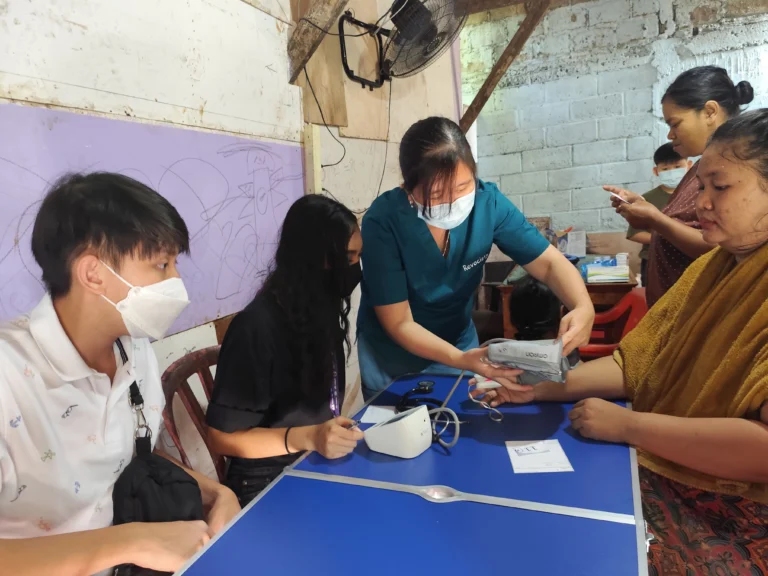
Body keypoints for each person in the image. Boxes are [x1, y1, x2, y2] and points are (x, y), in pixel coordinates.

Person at [479, 109, 768, 575]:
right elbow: (636, 364)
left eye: (721, 187)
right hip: (666, 466)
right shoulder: (711, 270)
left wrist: (630, 427)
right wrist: (540, 386)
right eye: (702, 189)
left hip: (733, 508)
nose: (700, 205)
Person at [0, 173, 240, 576]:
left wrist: (217, 494)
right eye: (161, 265)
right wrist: (129, 542)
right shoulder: (9, 377)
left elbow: (133, 454)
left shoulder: (135, 350)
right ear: (93, 273)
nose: (177, 283)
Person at [357, 117, 595, 400]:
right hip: (394, 354)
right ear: (408, 186)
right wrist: (459, 359)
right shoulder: (383, 222)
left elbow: (548, 263)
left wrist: (583, 305)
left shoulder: (488, 203)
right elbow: (399, 323)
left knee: (458, 420)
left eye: (462, 187)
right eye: (436, 194)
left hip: (460, 341)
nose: (453, 201)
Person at [206, 195, 365, 506]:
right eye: (347, 258)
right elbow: (220, 438)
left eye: (359, 257)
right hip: (266, 481)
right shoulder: (256, 328)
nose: (356, 269)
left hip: (312, 459)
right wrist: (309, 437)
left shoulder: (320, 308)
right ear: (313, 260)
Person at [605, 65, 755, 306]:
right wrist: (647, 212)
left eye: (675, 124)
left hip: (702, 309)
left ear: (709, 111)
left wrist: (656, 220)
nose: (670, 135)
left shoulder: (734, 167)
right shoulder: (700, 167)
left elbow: (722, 246)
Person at [625, 143, 692, 282]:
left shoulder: (697, 194)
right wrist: (668, 238)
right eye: (666, 169)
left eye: (678, 167)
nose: (672, 172)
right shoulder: (646, 199)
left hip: (690, 260)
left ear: (689, 165)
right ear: (656, 171)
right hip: (653, 261)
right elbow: (634, 234)